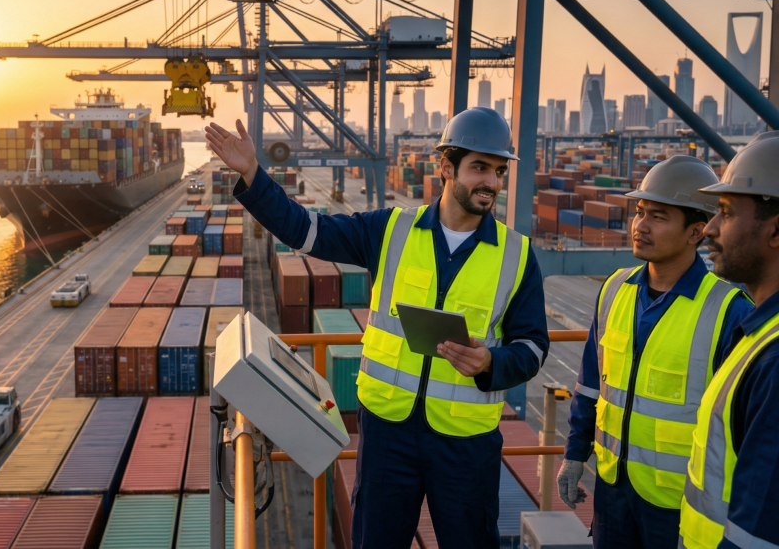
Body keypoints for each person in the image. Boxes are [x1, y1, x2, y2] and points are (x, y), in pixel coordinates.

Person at [206, 107, 549, 549]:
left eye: (499, 170)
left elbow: (534, 347)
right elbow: (306, 231)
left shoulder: (518, 256)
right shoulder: (391, 230)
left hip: (466, 443)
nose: (492, 182)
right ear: (445, 167)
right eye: (479, 168)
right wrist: (254, 175)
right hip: (389, 432)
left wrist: (491, 361)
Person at [555, 155, 754, 548]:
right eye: (640, 212)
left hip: (678, 504)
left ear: (697, 231)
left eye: (658, 217)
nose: (640, 226)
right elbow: (592, 387)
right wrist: (575, 454)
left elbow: (740, 432)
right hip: (612, 492)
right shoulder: (614, 290)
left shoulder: (730, 311)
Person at [679, 131, 779, 549]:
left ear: (775, 232)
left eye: (725, 212)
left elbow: (755, 536)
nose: (710, 229)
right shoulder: (760, 333)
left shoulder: (774, 360)